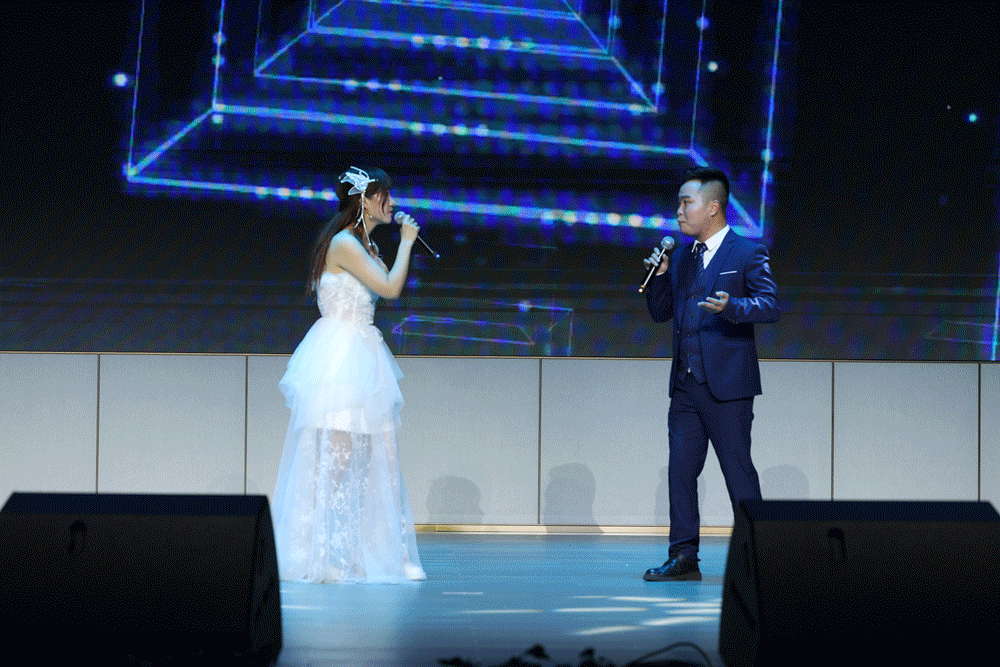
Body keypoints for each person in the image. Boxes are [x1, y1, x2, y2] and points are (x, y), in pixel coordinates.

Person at [271, 166, 426, 583]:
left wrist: (394, 249)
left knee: (384, 455)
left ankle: (386, 553)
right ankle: (314, 554)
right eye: (383, 195)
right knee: (336, 459)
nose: (391, 203)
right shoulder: (344, 244)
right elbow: (390, 288)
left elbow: (384, 287)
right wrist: (406, 243)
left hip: (365, 353)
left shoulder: (367, 245)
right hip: (341, 357)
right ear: (364, 201)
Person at [641, 166, 779, 581]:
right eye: (679, 203)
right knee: (681, 472)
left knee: (738, 472)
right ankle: (684, 556)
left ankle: (759, 557)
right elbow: (661, 313)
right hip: (685, 384)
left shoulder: (747, 252)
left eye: (687, 203)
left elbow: (770, 305)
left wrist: (732, 307)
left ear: (714, 207)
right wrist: (660, 277)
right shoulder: (682, 257)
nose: (679, 212)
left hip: (728, 385)